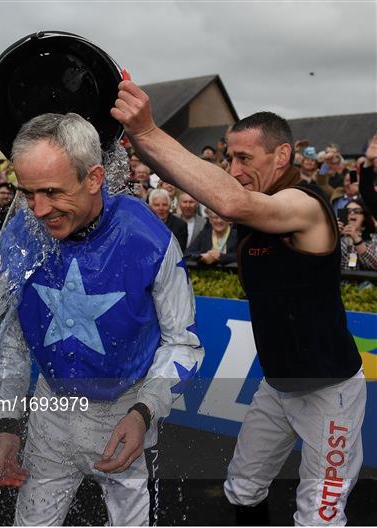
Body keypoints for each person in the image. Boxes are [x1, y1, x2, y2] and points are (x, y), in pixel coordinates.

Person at [111, 80, 365, 526]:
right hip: (279, 386)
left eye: (245, 158)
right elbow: (187, 176)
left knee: (319, 517)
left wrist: (150, 131)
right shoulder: (256, 199)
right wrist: (133, 133)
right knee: (242, 490)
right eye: (229, 157)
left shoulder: (302, 205)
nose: (234, 167)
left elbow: (229, 199)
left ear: (281, 157)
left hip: (331, 391)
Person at [0, 113, 203, 526]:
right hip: (50, 412)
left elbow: (184, 343)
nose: (39, 209)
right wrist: (8, 422)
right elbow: (11, 340)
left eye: (51, 191)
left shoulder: (150, 240)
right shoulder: (20, 235)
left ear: (94, 177)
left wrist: (143, 413)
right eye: (27, 193)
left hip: (125, 413)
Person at [338, 198, 377, 271]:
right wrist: (333, 236)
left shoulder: (373, 237)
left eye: (357, 211)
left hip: (365, 281)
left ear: (364, 217)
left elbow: (375, 264)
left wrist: (357, 239)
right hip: (340, 281)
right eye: (348, 211)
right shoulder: (336, 237)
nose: (352, 213)